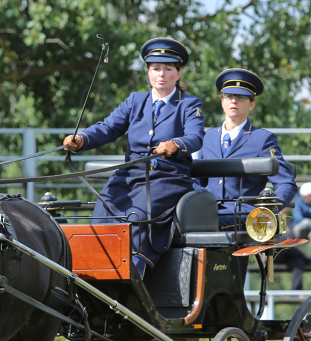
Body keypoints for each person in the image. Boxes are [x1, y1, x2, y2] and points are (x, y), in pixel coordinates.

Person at [62, 37, 205, 277]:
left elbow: (195, 137)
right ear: (148, 73)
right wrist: (82, 140)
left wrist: (174, 144)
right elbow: (108, 128)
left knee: (136, 216)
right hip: (131, 174)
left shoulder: (189, 104)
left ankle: (132, 272)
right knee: (103, 210)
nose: (162, 74)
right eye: (156, 69)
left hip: (167, 177)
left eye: (168, 69)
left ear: (178, 74)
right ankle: (92, 273)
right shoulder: (135, 101)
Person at [196, 68, 297, 229]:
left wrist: (267, 210)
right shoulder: (208, 137)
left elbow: (286, 183)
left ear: (252, 104)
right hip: (207, 210)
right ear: (222, 102)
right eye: (228, 96)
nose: (234, 101)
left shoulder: (262, 139)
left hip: (244, 215)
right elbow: (196, 180)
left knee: (201, 224)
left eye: (241, 97)